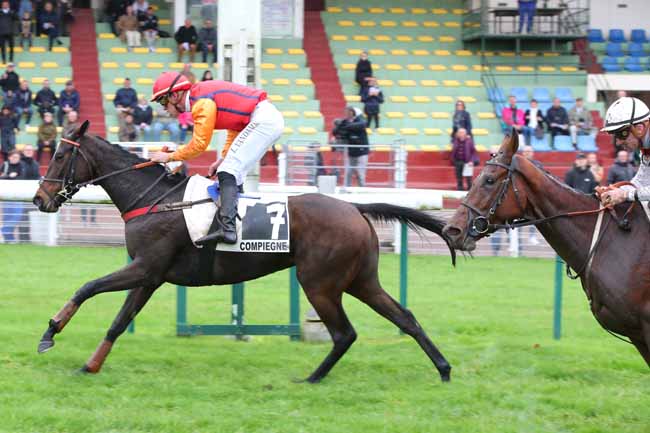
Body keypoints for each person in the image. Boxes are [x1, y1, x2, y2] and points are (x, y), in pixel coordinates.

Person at [148, 71, 285, 245]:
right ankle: (236, 225)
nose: (164, 108)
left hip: (263, 119)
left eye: (162, 101)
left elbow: (199, 145)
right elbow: (234, 126)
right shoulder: (200, 97)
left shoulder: (201, 102)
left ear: (175, 95)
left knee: (229, 171)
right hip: (263, 118)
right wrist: (223, 158)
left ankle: (228, 229)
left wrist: (169, 157)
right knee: (230, 170)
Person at [598, 97, 650, 206]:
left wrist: (626, 194)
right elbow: (641, 181)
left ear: (639, 128)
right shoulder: (645, 147)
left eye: (620, 134)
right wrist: (615, 190)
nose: (618, 142)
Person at [331, 106, 369, 187]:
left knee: (360, 172)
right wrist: (340, 126)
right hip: (351, 152)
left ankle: (362, 189)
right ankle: (347, 188)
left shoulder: (360, 122)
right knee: (348, 172)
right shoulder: (345, 122)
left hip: (362, 152)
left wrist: (346, 126)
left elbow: (361, 124)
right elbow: (335, 132)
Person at [1, 149, 25, 243]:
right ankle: (9, 239)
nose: (16, 159)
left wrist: (7, 176)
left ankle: (3, 231)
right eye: (14, 157)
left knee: (17, 216)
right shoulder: (5, 165)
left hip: (18, 195)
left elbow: (22, 178)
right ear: (9, 157)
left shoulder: (22, 165)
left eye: (17, 157)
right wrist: (10, 176)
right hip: (6, 195)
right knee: (7, 217)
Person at [18, 144, 40, 241]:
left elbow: (37, 177)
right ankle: (22, 238)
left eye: (30, 150)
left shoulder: (35, 164)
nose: (29, 151)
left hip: (31, 195)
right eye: (27, 150)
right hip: (21, 194)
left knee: (28, 217)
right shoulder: (20, 163)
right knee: (22, 217)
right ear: (23, 151)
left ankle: (27, 237)